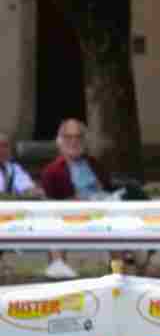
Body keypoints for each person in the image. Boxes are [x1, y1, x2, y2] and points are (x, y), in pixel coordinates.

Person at [39, 118, 145, 275]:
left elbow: (107, 187)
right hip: (71, 215)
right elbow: (49, 202)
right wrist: (74, 201)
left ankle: (119, 269)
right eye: (69, 137)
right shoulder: (51, 171)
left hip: (102, 211)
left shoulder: (94, 164)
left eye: (78, 137)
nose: (74, 141)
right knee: (53, 220)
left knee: (118, 216)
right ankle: (58, 265)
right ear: (60, 142)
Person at [0, 134, 58, 280]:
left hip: (13, 217)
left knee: (49, 217)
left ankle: (57, 265)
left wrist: (37, 191)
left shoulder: (13, 169)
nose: (2, 150)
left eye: (5, 146)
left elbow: (28, 188)